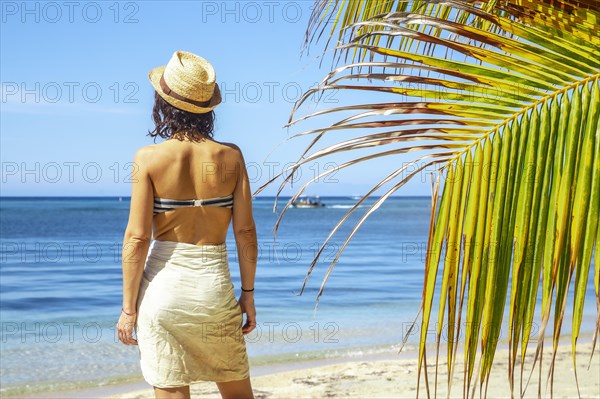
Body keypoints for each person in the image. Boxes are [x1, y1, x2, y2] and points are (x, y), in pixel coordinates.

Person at [116, 50, 257, 399]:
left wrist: (128, 309)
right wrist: (248, 295)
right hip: (214, 290)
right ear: (208, 107)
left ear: (163, 103)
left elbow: (136, 238)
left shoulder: (148, 159)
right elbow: (245, 233)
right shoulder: (232, 156)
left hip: (162, 293)